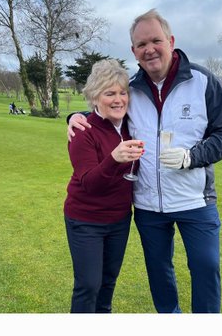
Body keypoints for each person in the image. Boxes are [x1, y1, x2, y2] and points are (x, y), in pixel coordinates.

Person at [70, 10, 222, 313]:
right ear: (134, 52)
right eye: (141, 44)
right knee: (159, 273)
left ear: (171, 41)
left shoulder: (203, 81)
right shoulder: (133, 87)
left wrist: (193, 157)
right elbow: (106, 108)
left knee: (205, 268)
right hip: (148, 205)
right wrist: (75, 117)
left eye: (156, 40)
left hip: (195, 201)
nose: (149, 49)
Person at [63, 59, 142, 312]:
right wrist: (114, 159)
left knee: (108, 283)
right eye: (110, 93)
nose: (118, 100)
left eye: (122, 93)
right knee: (88, 285)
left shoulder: (132, 125)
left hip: (119, 220)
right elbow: (89, 183)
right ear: (95, 98)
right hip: (86, 220)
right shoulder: (83, 131)